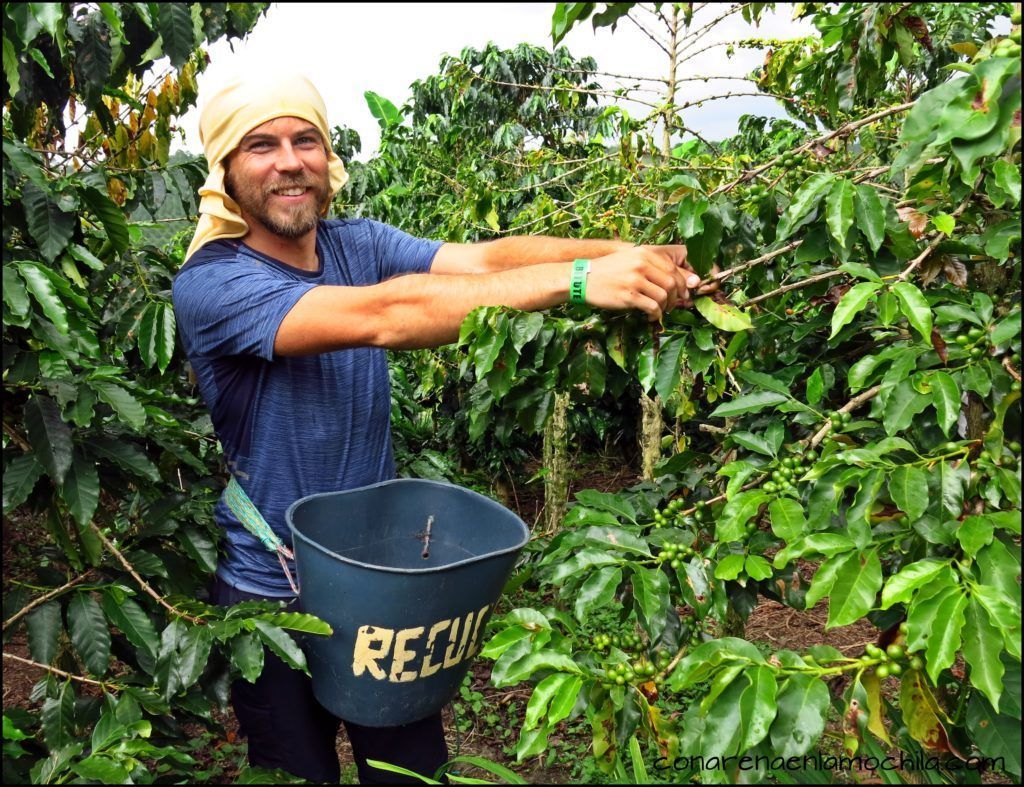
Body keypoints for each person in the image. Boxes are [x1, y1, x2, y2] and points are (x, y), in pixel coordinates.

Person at [171, 73, 716, 784]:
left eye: (306, 139)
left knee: (412, 769)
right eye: (261, 145)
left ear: (327, 158)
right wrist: (581, 283)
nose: (289, 160)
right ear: (225, 170)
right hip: (270, 596)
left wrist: (624, 255)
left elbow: (485, 261)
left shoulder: (356, 242)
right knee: (293, 770)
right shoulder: (212, 284)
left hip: (380, 586)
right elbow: (386, 315)